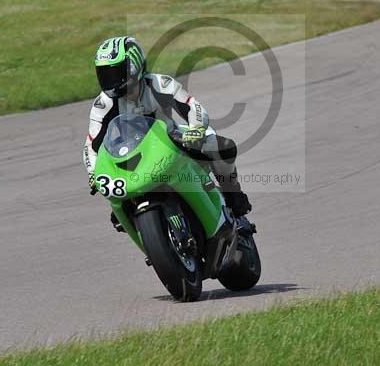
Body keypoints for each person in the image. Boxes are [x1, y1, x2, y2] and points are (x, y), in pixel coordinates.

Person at [82, 36, 252, 228]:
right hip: (131, 154)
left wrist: (196, 130)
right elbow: (92, 145)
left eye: (114, 72)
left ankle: (233, 196)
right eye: (104, 73)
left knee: (222, 147)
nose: (109, 80)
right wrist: (93, 172)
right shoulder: (103, 104)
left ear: (133, 66)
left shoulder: (160, 84)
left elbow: (192, 106)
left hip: (173, 141)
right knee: (116, 212)